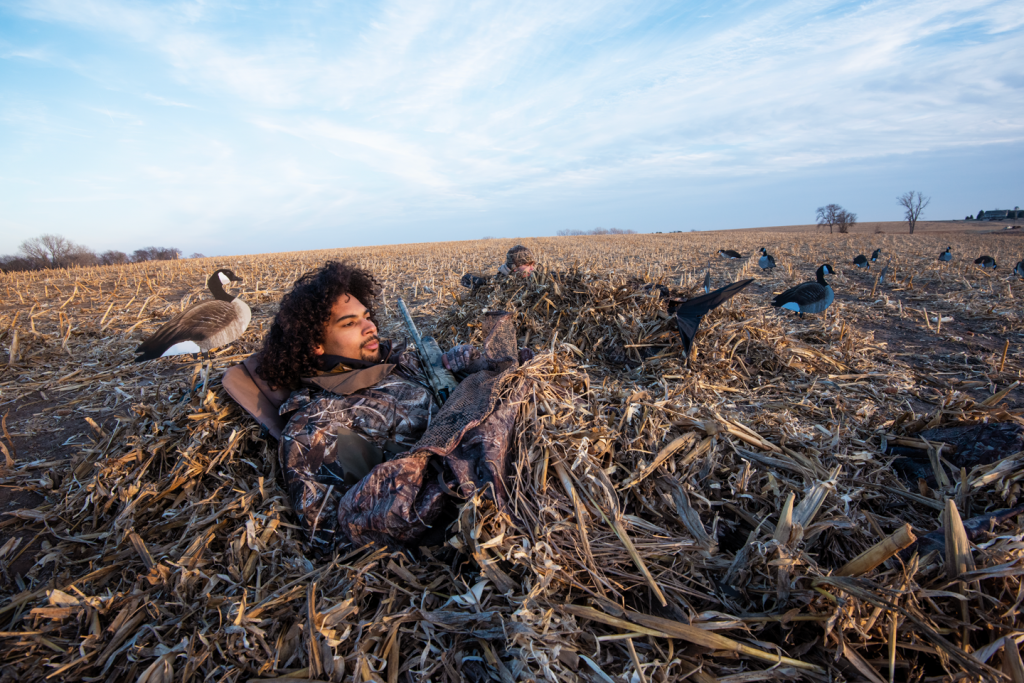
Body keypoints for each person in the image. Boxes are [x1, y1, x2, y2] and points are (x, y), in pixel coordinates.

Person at [254, 261, 525, 553]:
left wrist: (462, 366)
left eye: (367, 317)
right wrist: (438, 468)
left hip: (523, 451)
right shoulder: (314, 427)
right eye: (349, 323)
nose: (370, 327)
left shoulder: (399, 361)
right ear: (315, 344)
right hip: (479, 518)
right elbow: (335, 539)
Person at [460, 245, 536, 290]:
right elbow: (465, 279)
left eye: (533, 265)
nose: (532, 268)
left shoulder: (533, 279)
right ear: (514, 267)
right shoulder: (497, 283)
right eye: (527, 265)